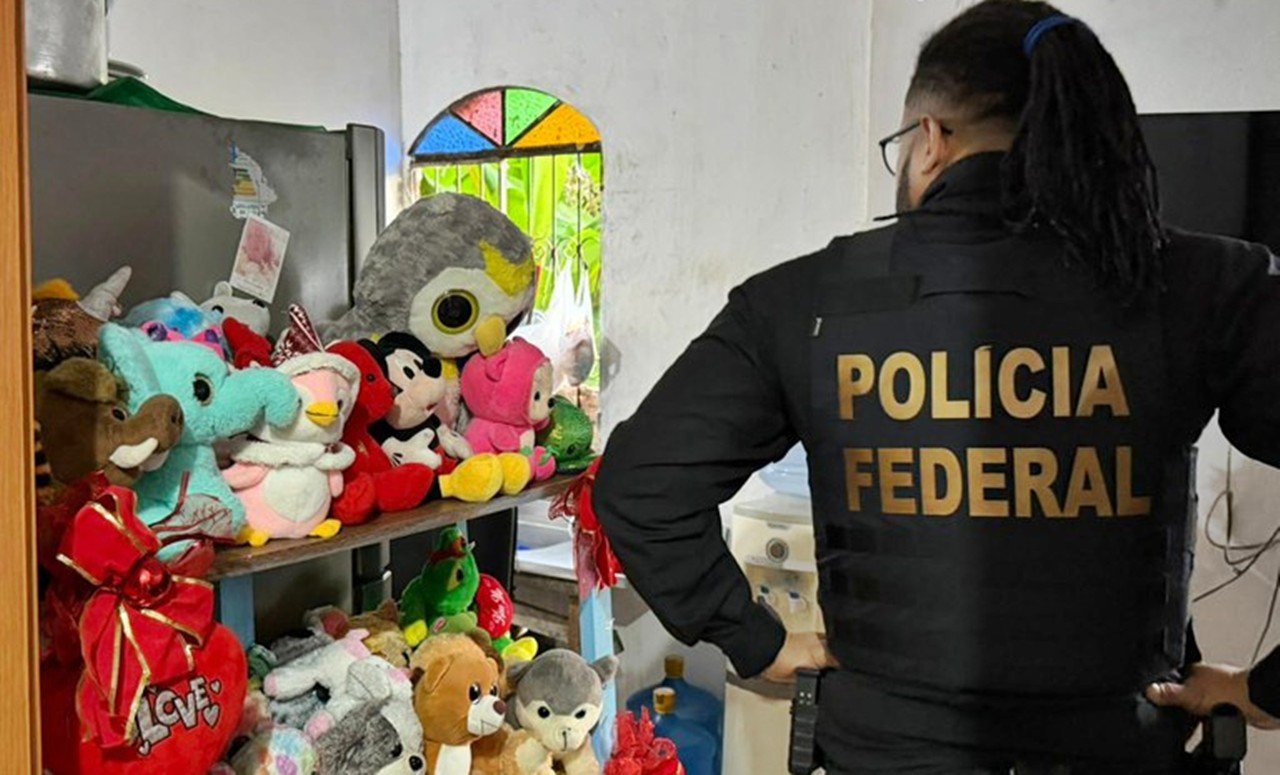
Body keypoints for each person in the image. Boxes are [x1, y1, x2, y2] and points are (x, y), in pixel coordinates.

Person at [592, 1, 1280, 772]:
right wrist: (1266, 690)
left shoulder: (802, 299)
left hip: (884, 753)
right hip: (1121, 748)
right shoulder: (1208, 286)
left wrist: (754, 638)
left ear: (931, 141)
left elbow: (639, 485)